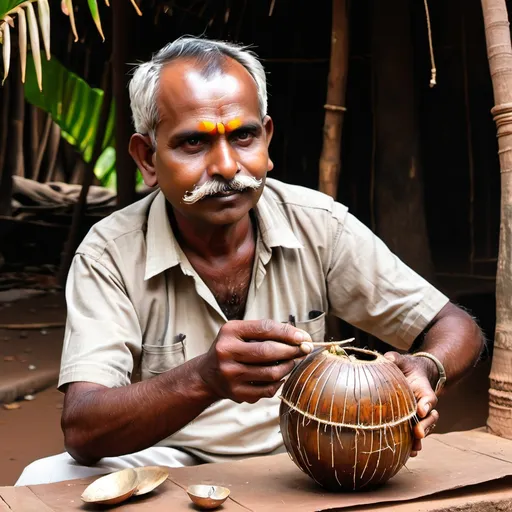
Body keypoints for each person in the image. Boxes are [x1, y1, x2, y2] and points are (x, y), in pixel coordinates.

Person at [16, 36, 484, 486]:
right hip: (169, 460)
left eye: (243, 136)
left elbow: (455, 326)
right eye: (192, 143)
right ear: (147, 158)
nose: (225, 166)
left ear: (267, 138)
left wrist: (426, 366)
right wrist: (203, 377)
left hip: (307, 451)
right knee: (43, 480)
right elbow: (83, 428)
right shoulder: (110, 252)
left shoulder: (318, 224)